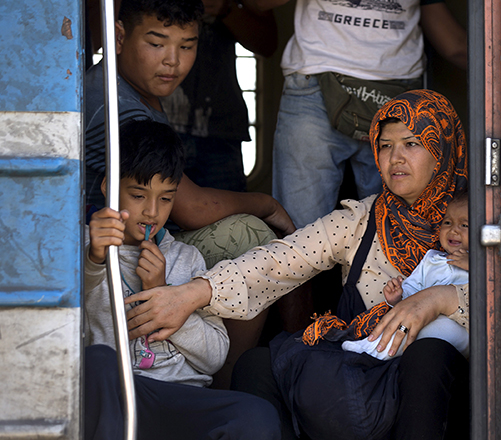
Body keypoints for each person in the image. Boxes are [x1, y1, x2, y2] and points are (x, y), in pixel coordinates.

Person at [122, 90, 470, 439]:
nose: (395, 158)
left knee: (429, 355)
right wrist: (192, 294)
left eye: (411, 144)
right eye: (384, 145)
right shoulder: (364, 219)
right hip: (365, 378)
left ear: (442, 147)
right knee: (257, 365)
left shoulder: (484, 223)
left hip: (434, 398)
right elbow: (278, 261)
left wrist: (437, 299)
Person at [85, 0, 295, 389]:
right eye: (157, 43)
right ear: (117, 37)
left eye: (187, 45)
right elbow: (195, 208)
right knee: (251, 236)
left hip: (143, 241)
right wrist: (267, 203)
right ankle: (228, 381)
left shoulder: (127, 88)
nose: (173, 61)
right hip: (113, 246)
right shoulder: (119, 106)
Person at [83, 119, 280, 440]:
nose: (151, 212)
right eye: (137, 195)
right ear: (108, 187)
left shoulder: (185, 259)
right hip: (118, 395)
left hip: (180, 397)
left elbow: (214, 358)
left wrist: (164, 293)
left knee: (257, 415)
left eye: (165, 198)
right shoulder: (85, 249)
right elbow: (67, 327)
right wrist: (94, 260)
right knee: (97, 362)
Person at [245, 0, 467, 229]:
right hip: (317, 84)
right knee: (299, 231)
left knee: (400, 230)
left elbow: (454, 44)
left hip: (397, 96)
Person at [161, 0, 277, 192]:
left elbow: (268, 44)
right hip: (154, 122)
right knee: (153, 211)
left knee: (228, 220)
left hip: (220, 130)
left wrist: (226, 10)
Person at [341, 190, 470, 360]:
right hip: (425, 319)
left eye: (464, 225)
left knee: (428, 329)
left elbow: (492, 285)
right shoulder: (432, 259)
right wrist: (397, 299)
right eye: (447, 222)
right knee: (406, 321)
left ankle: (374, 351)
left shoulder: (486, 260)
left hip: (461, 329)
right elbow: (413, 291)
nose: (453, 230)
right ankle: (372, 345)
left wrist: (472, 263)